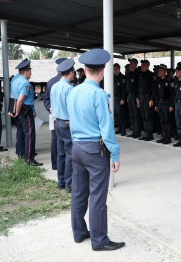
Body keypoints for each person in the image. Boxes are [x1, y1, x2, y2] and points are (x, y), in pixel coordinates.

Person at [67, 48, 124, 251]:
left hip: (77, 148)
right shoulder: (98, 95)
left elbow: (71, 119)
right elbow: (106, 130)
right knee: (98, 197)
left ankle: (79, 232)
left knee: (79, 193)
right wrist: (115, 154)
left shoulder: (73, 92)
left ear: (84, 69)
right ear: (102, 71)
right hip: (94, 151)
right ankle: (99, 240)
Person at [10, 59, 43, 166]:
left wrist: (12, 110)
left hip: (16, 108)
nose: (31, 73)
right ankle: (29, 158)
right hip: (24, 110)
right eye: (30, 71)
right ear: (26, 71)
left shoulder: (15, 79)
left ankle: (21, 154)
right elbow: (21, 99)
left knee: (20, 133)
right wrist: (19, 111)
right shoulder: (25, 83)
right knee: (29, 134)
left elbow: (12, 95)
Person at [50, 59, 75, 192]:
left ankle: (60, 181)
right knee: (70, 153)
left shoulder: (54, 86)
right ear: (70, 73)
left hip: (57, 122)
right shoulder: (69, 89)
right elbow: (72, 109)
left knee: (60, 153)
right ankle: (69, 182)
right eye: (73, 72)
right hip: (66, 123)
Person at [44, 58, 66, 170]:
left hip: (54, 115)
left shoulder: (50, 82)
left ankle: (55, 165)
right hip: (65, 117)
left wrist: (50, 108)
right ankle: (64, 165)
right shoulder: (69, 82)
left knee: (55, 139)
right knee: (65, 140)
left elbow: (46, 99)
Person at [154, 64, 174, 144]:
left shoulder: (169, 81)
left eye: (161, 70)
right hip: (160, 103)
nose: (160, 72)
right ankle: (163, 135)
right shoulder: (158, 81)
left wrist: (171, 105)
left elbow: (172, 94)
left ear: (165, 71)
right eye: (159, 70)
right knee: (162, 120)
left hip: (167, 102)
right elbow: (156, 93)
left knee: (167, 120)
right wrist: (156, 104)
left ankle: (168, 137)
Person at [137, 59, 156, 141]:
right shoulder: (141, 75)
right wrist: (138, 98)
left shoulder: (151, 75)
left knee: (148, 117)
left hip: (148, 98)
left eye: (144, 65)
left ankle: (150, 134)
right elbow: (139, 88)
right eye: (141, 65)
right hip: (141, 98)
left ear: (148, 66)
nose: (142, 66)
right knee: (143, 117)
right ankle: (145, 133)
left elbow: (154, 89)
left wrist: (151, 99)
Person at [126, 58, 141, 138]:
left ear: (135, 64)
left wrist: (138, 97)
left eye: (131, 63)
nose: (130, 64)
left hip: (135, 95)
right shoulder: (129, 73)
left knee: (136, 114)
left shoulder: (137, 73)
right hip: (130, 95)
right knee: (131, 115)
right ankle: (134, 130)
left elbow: (139, 87)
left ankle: (137, 131)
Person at [113, 63, 127, 136]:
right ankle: (119, 127)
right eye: (113, 69)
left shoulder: (122, 77)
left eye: (115, 69)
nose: (114, 71)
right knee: (115, 114)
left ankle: (123, 128)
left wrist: (123, 99)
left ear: (119, 69)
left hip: (120, 98)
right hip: (114, 98)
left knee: (121, 114)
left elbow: (124, 90)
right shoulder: (113, 77)